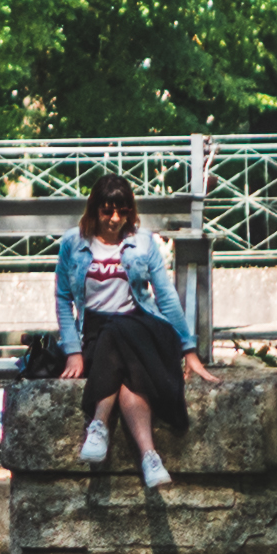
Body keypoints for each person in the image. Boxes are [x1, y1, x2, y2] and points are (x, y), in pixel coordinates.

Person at [53, 171, 212, 487]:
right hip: (96, 331)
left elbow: (165, 295)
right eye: (107, 210)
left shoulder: (143, 242)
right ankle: (150, 458)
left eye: (122, 211)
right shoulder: (73, 242)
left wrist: (189, 350)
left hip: (141, 324)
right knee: (128, 371)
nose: (114, 219)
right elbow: (62, 297)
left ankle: (99, 425)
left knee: (118, 331)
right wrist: (72, 351)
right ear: (94, 208)